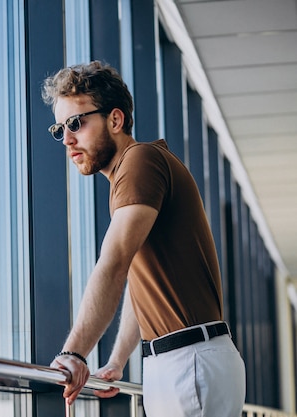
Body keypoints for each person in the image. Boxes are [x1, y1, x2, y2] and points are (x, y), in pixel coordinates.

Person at [41, 61, 246, 417]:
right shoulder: (135, 175)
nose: (68, 139)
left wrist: (73, 353)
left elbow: (115, 261)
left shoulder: (140, 161)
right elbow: (143, 282)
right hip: (181, 362)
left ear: (115, 120)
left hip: (189, 363)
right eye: (60, 129)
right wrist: (118, 361)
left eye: (77, 123)